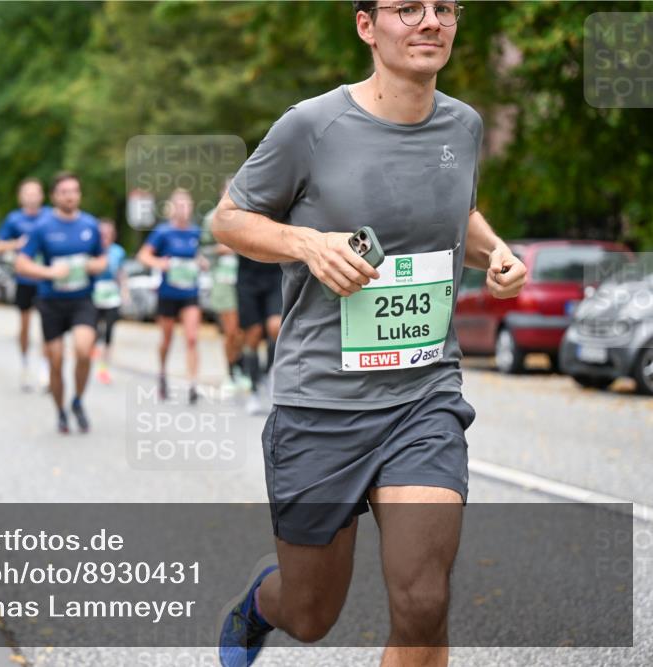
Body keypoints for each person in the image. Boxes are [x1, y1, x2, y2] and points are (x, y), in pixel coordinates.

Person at [212, 3, 528, 666]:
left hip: (424, 398)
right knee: (311, 613)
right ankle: (260, 606)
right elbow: (230, 219)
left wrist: (496, 251)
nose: (430, 21)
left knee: (424, 601)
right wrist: (308, 243)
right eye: (407, 8)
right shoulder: (312, 126)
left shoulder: (464, 125)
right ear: (366, 26)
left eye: (444, 8)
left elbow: (459, 212)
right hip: (321, 404)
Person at [14, 172, 106, 434]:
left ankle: (77, 400)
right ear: (54, 196)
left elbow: (103, 259)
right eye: (64, 192)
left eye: (74, 191)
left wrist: (94, 265)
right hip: (51, 302)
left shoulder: (90, 224)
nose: (70, 196)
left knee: (83, 351)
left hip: (82, 300)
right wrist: (49, 272)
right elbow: (21, 263)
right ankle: (60, 412)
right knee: (55, 361)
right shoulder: (42, 227)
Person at [138, 188, 205, 405]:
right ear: (172, 208)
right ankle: (162, 373)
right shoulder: (163, 232)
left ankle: (193, 383)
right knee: (167, 340)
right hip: (168, 293)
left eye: (187, 204)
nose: (183, 208)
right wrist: (160, 263)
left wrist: (202, 262)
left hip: (190, 292)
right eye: (179, 204)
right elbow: (143, 256)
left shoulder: (196, 232)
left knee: (192, 338)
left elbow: (202, 255)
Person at [0, 177, 52, 391]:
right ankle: (25, 365)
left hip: (46, 279)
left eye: (35, 192)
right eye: (27, 193)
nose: (32, 197)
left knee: (48, 325)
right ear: (21, 197)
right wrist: (17, 243)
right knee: (25, 326)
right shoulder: (14, 219)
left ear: (42, 196)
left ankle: (45, 368)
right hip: (24, 280)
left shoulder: (49, 216)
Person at [202, 185, 249, 396]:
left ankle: (241, 369)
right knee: (230, 331)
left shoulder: (248, 217)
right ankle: (230, 374)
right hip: (222, 281)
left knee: (242, 332)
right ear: (222, 193)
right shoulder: (211, 219)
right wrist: (221, 249)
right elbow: (202, 250)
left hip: (243, 281)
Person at [236, 253, 283, 415]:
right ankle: (253, 390)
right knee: (253, 335)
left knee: (275, 326)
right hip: (248, 276)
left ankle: (269, 373)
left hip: (275, 273)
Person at [92, 219, 128, 384]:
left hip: (112, 296)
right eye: (102, 234)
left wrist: (125, 292)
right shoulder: (92, 250)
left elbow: (121, 273)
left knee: (109, 332)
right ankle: (90, 353)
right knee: (93, 331)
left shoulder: (118, 252)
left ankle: (103, 369)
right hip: (94, 295)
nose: (105, 236)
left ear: (113, 235)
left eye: (108, 233)